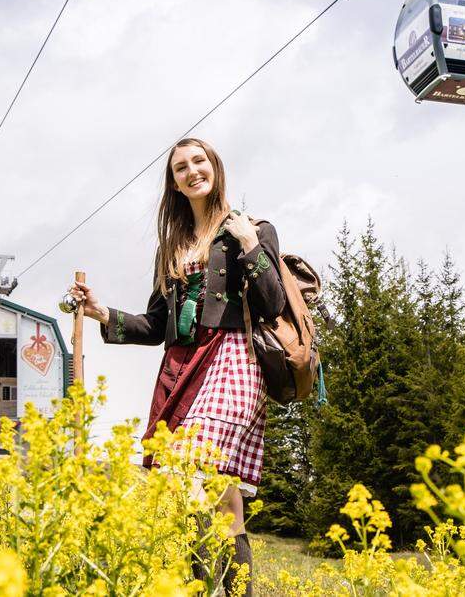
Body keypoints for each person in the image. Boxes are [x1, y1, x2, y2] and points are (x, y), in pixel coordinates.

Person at [68, 137, 284, 596]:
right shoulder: (173, 247)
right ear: (175, 183)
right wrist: (101, 313)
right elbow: (156, 326)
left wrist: (249, 245)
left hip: (233, 361)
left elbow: (272, 303)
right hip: (182, 369)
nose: (192, 171)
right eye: (180, 168)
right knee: (219, 505)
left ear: (215, 167)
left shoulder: (252, 228)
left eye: (198, 161)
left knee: (192, 474)